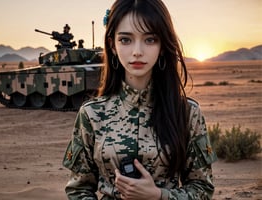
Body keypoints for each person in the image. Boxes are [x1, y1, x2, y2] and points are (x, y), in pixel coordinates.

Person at [63, 0, 217, 199]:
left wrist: (158, 196)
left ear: (162, 45)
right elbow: (78, 189)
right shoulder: (92, 114)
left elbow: (202, 188)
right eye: (126, 40)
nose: (137, 51)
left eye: (150, 39)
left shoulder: (186, 112)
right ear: (112, 45)